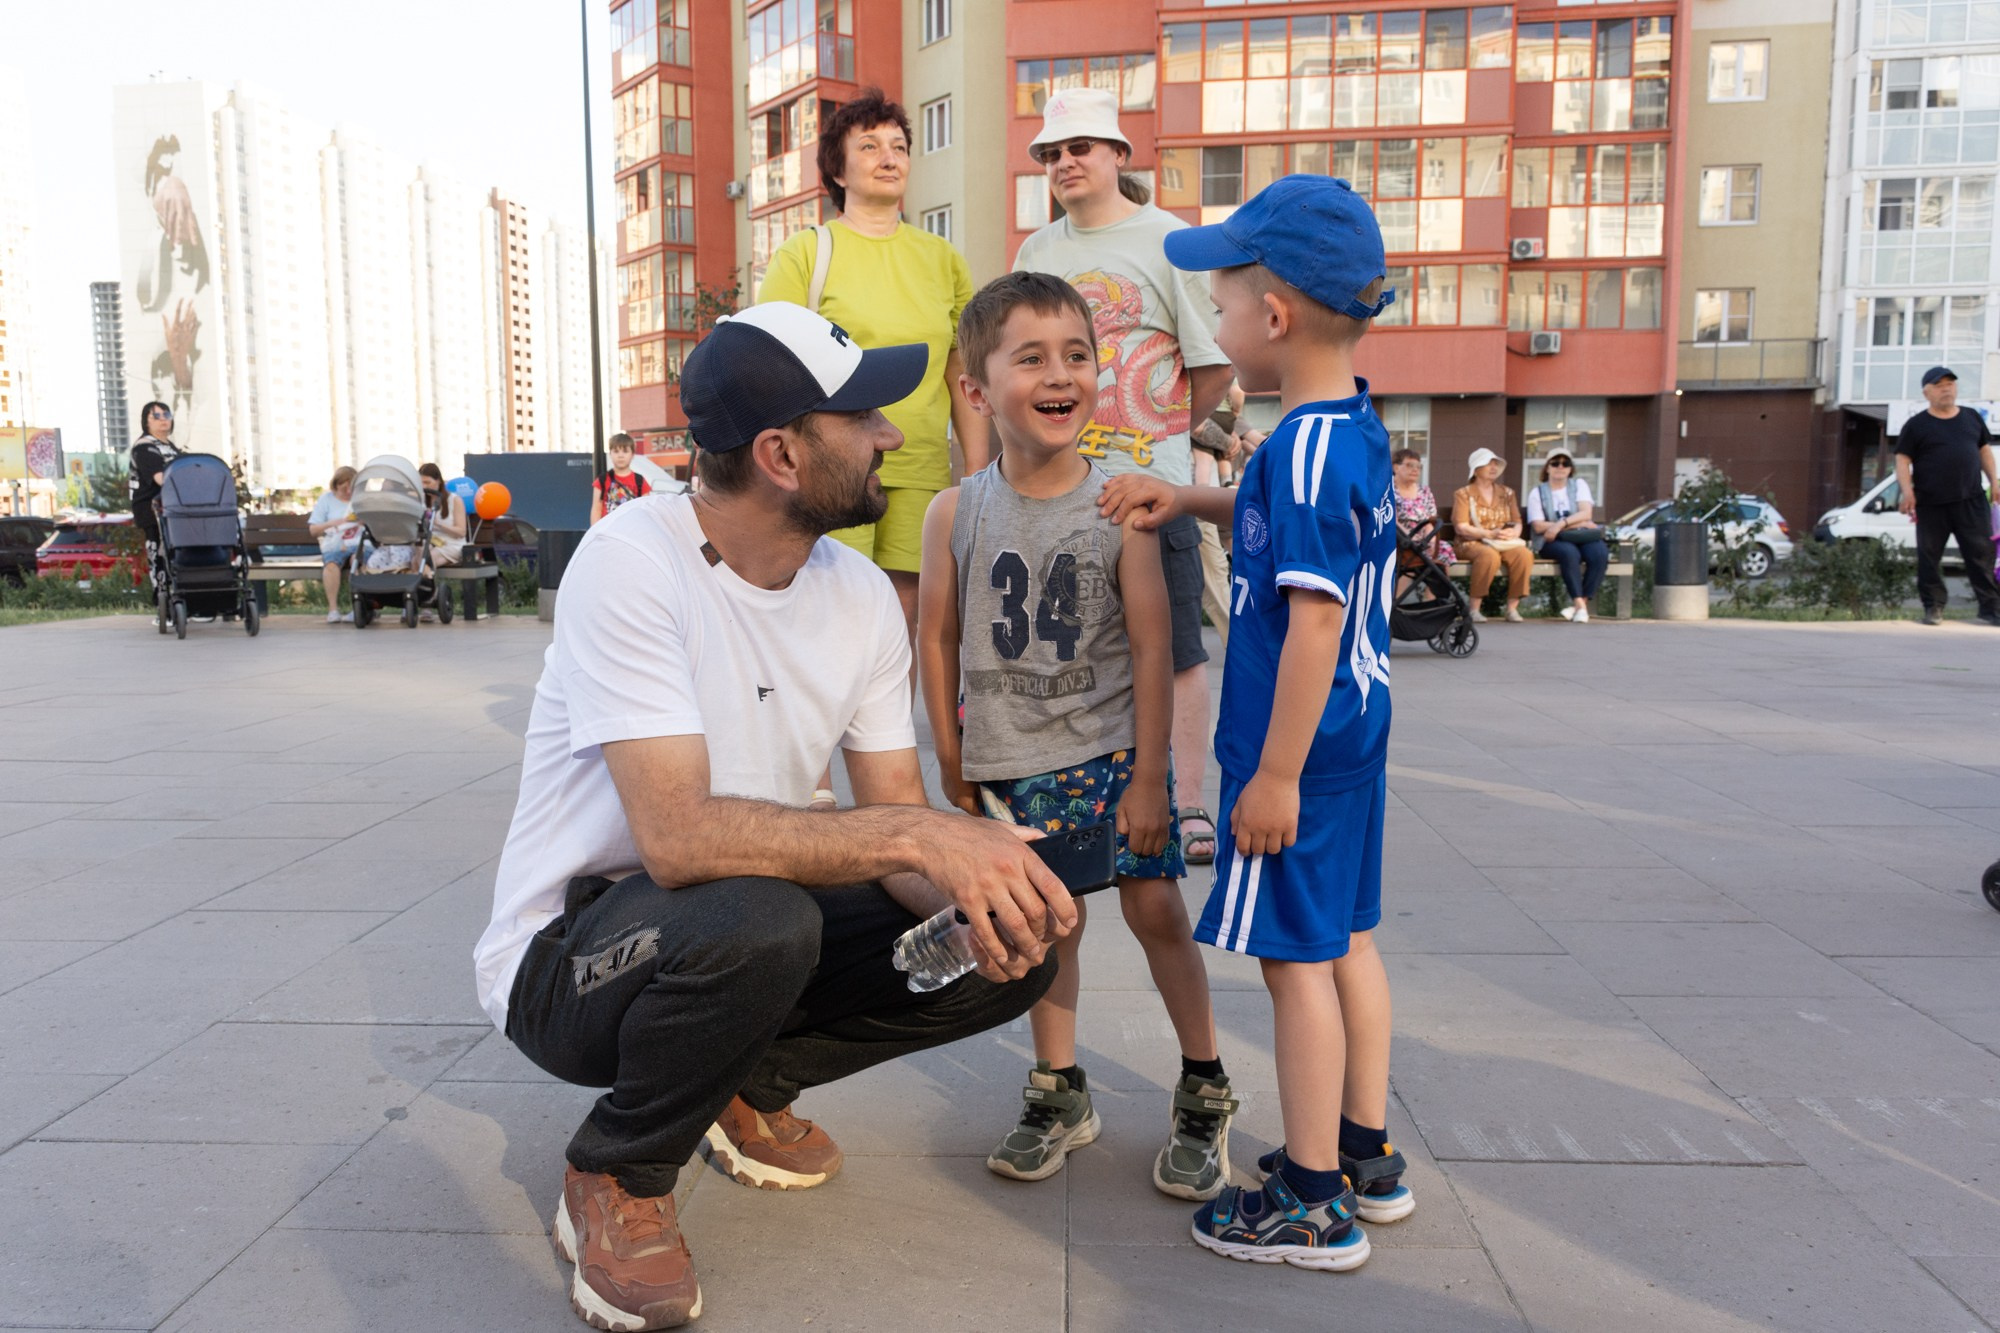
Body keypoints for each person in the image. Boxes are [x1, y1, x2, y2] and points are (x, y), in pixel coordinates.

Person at [474, 301, 1077, 1333]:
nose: (893, 437)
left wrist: (987, 884)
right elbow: (678, 840)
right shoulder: (631, 564)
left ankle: (739, 1081)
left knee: (1004, 951)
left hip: (737, 924)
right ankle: (615, 1173)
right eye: (864, 419)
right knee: (760, 915)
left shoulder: (851, 592)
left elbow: (891, 818)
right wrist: (925, 833)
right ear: (782, 455)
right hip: (573, 957)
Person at [1100, 175, 1412, 1272]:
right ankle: (1365, 1149)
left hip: (1303, 751)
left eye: (1222, 305)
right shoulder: (1335, 430)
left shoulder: (1305, 448)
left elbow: (1314, 620)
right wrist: (1190, 499)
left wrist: (1270, 776)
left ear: (1272, 318)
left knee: (1294, 964)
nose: (1215, 325)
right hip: (1351, 742)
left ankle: (1313, 1198)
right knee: (1348, 940)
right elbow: (1287, 530)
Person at [917, 272, 1232, 1198]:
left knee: (1156, 909)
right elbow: (935, 635)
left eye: (1077, 355)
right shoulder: (955, 511)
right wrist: (950, 753)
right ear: (977, 390)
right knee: (1050, 924)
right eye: (1031, 358)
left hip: (1112, 755)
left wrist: (1149, 778)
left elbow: (1151, 644)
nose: (1061, 375)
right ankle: (1059, 1089)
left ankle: (1205, 1083)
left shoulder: (1120, 509)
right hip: (1014, 759)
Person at [1013, 86, 1235, 867]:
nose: (1065, 162)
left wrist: (1157, 431)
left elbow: (1211, 362)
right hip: (1060, 490)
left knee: (1174, 647)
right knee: (1070, 648)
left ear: (1117, 155)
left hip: (1152, 489)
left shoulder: (1167, 239)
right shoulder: (1035, 254)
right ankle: (1087, 794)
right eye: (1051, 152)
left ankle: (1189, 799)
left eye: (1080, 147)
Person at [756, 89, 982, 652]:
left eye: (900, 146)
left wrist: (977, 468)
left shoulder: (943, 259)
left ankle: (889, 739)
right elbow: (772, 361)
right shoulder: (806, 254)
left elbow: (962, 370)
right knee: (832, 613)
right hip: (831, 465)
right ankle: (823, 740)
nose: (889, 157)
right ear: (837, 167)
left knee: (904, 617)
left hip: (921, 465)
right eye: (870, 145)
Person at [1895, 366, 2000, 627]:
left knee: (1982, 556)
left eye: (1950, 384)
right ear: (1926, 392)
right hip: (1931, 503)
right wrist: (1907, 492)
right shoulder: (1917, 425)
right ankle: (1933, 608)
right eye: (1939, 384)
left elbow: (1984, 450)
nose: (1946, 388)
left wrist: (1994, 481)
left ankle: (1991, 609)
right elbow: (1902, 458)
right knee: (1929, 557)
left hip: (1971, 500)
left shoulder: (1971, 417)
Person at [1524, 450, 1609, 623]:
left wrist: (1560, 524)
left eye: (1565, 463)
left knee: (1600, 554)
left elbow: (1586, 513)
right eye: (1555, 463)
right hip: (1551, 541)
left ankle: (1579, 607)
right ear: (1547, 468)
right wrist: (1578, 523)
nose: (1560, 467)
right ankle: (1579, 604)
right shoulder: (1537, 493)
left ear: (1571, 468)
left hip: (1580, 537)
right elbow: (1538, 526)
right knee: (1570, 554)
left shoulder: (1579, 485)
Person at [1452, 447, 1534, 623]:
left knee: (1524, 555)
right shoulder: (1463, 494)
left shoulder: (1507, 493)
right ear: (1476, 469)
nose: (1493, 467)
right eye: (1488, 463)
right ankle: (1474, 608)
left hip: (1502, 542)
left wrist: (1514, 532)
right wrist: (1489, 533)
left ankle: (1512, 608)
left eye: (1495, 463)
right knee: (1488, 555)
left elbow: (1517, 520)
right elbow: (1461, 527)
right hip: (1471, 542)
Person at [128, 400, 183, 584]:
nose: (163, 420)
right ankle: (162, 598)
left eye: (166, 415)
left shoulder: (171, 446)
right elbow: (161, 478)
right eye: (156, 416)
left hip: (175, 507)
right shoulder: (144, 447)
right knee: (159, 555)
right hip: (153, 510)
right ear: (146, 422)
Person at [1390, 448, 1452, 597]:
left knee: (1442, 548)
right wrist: (1410, 539)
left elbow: (1430, 520)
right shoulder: (1389, 489)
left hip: (1423, 539)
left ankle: (1433, 603)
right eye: (1410, 465)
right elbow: (1393, 520)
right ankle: (1395, 606)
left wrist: (1430, 539)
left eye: (1418, 466)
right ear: (1395, 467)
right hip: (1399, 539)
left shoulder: (1425, 491)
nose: (1415, 470)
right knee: (1407, 552)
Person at [307, 466, 360, 624]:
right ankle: (333, 609)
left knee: (358, 561)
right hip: (335, 544)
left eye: (352, 487)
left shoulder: (360, 500)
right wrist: (332, 523)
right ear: (336, 485)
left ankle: (358, 607)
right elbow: (313, 530)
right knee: (331, 564)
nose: (349, 492)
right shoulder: (326, 500)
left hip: (357, 543)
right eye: (345, 488)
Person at [592, 433, 652, 525]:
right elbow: (596, 508)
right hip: (608, 531)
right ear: (610, 454)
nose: (620, 455)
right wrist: (594, 532)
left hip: (632, 530)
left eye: (625, 451)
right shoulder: (602, 480)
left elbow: (646, 509)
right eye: (616, 451)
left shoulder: (640, 481)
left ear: (632, 454)